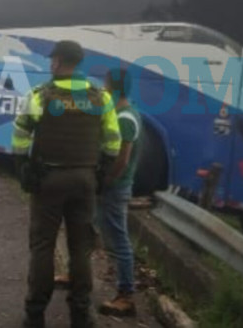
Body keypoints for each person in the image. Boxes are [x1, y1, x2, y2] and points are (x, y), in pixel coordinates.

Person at [12, 40, 121, 328]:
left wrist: (22, 168)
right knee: (81, 248)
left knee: (43, 246)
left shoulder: (40, 95)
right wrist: (101, 173)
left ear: (58, 62)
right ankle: (81, 315)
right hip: (84, 180)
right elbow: (113, 142)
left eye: (52, 60)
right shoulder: (101, 98)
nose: (51, 64)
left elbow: (20, 134)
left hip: (48, 180)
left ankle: (35, 315)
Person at [95, 68, 142, 317]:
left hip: (115, 188)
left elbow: (121, 161)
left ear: (114, 86)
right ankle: (75, 272)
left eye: (106, 82)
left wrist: (104, 182)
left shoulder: (125, 117)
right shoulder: (122, 112)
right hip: (112, 186)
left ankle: (126, 296)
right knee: (91, 229)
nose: (103, 87)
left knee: (119, 240)